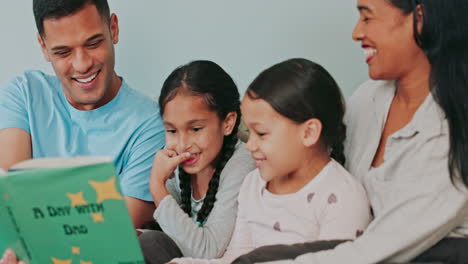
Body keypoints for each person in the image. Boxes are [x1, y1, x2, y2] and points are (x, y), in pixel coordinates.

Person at [232, 0, 468, 263]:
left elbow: (378, 251)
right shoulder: (366, 99)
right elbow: (308, 153)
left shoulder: (453, 129)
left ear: (420, 18)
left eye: (367, 18)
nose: (356, 32)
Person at [169, 58, 372, 264]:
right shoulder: (254, 184)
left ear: (309, 133)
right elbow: (234, 260)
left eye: (262, 133)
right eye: (250, 132)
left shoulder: (341, 198)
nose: (250, 145)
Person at [0, 0, 165, 230]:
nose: (82, 64)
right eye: (63, 52)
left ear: (113, 29)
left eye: (93, 43)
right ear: (43, 47)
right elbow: (9, 202)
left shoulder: (152, 124)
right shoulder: (24, 94)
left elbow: (113, 231)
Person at [137, 60, 255, 264]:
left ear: (227, 123)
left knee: (150, 244)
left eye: (196, 129)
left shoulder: (243, 164)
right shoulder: (177, 163)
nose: (183, 145)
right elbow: (170, 233)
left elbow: (208, 250)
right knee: (143, 241)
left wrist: (157, 187)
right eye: (172, 131)